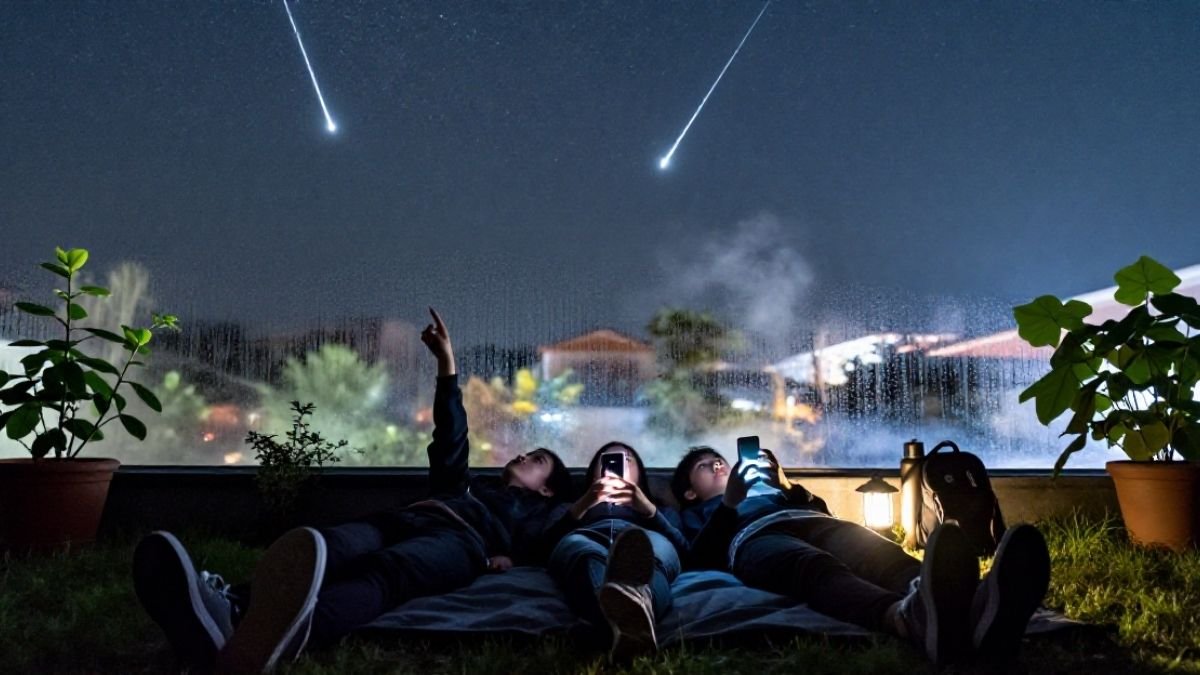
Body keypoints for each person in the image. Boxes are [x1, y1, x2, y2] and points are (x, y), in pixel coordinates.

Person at [133, 308, 575, 673]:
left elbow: (559, 541)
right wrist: (447, 364)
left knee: (385, 574)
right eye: (527, 453)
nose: (522, 457)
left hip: (460, 543)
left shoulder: (539, 514)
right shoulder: (466, 487)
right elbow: (450, 440)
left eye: (537, 461)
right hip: (403, 518)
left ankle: (270, 634)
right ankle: (229, 607)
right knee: (324, 548)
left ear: (547, 490)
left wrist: (514, 557)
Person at [671, 446, 1051, 666]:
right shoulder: (693, 514)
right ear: (690, 492)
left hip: (810, 519)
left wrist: (786, 485)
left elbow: (823, 509)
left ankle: (970, 608)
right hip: (754, 539)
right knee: (811, 567)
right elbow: (698, 556)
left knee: (878, 552)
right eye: (705, 466)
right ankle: (906, 618)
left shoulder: (774, 492)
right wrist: (729, 502)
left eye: (719, 458)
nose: (718, 464)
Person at [542, 441, 687, 662]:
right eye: (607, 460)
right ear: (594, 473)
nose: (617, 464)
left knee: (650, 555)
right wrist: (584, 504)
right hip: (587, 534)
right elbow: (541, 548)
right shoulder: (569, 507)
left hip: (643, 536)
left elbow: (684, 551)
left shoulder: (661, 509)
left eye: (626, 459)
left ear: (640, 473)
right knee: (583, 551)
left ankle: (609, 623)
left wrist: (649, 510)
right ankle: (631, 625)